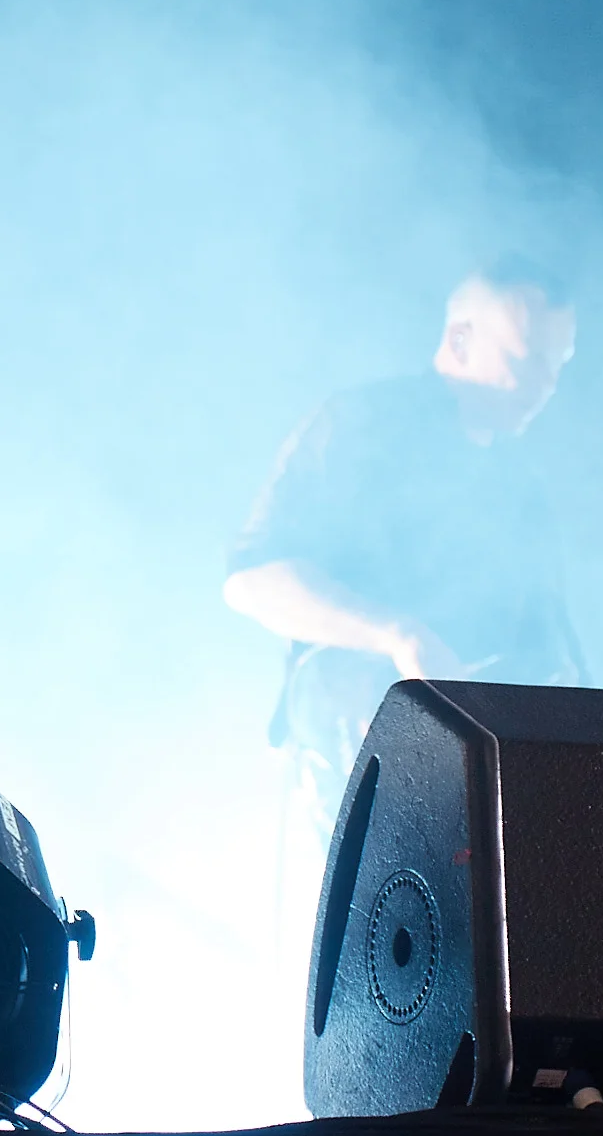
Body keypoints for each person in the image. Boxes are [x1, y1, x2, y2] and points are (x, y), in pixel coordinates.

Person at [223, 257, 584, 833]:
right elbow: (252, 578)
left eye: (557, 364)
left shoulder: (524, 488)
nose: (546, 384)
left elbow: (555, 662)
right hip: (368, 752)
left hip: (493, 788)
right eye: (526, 358)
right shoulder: (359, 423)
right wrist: (399, 637)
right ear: (459, 339)